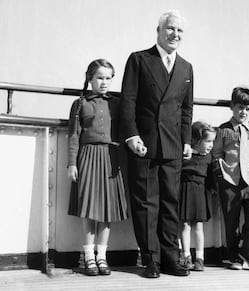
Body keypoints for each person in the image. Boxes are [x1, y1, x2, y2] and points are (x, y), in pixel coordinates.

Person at [119, 10, 193, 278]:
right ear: (159, 31)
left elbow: (186, 110)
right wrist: (131, 135)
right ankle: (151, 259)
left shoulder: (186, 67)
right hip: (145, 143)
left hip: (173, 145)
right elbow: (127, 100)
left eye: (180, 31)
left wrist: (186, 141)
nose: (175, 35)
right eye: (170, 29)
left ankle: (171, 258)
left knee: (171, 203)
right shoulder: (139, 60)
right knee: (147, 203)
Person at [67, 59, 128, 276]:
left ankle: (102, 257)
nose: (104, 82)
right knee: (89, 210)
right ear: (90, 78)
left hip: (111, 158)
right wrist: (72, 163)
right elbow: (74, 135)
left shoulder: (117, 103)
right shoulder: (80, 104)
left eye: (108, 78)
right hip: (88, 157)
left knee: (106, 211)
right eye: (99, 77)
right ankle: (88, 258)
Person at [211, 87, 249, 272]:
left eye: (248, 109)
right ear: (232, 107)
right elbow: (216, 153)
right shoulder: (223, 130)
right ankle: (233, 256)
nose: (243, 112)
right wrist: (221, 175)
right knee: (231, 219)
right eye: (240, 107)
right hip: (230, 179)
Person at [179, 121, 216, 272]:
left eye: (212, 141)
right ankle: (186, 256)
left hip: (200, 193)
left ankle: (200, 258)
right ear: (196, 140)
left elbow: (211, 178)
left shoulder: (208, 158)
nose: (211, 145)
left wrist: (213, 190)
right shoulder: (185, 156)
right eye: (208, 141)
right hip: (185, 191)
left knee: (199, 226)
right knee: (185, 225)